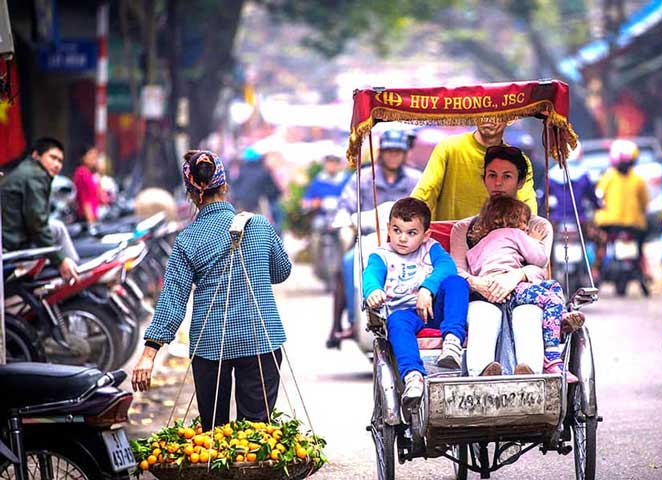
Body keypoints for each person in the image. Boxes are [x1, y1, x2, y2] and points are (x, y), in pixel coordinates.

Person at [131, 150, 292, 431]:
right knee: (256, 435)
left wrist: (148, 353)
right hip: (261, 339)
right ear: (225, 185)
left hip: (210, 345)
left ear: (191, 194)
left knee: (214, 436)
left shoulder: (187, 240)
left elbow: (173, 300)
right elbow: (281, 271)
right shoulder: (259, 226)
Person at [449, 146, 554, 377]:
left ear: (520, 181)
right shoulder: (463, 229)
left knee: (527, 314)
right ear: (484, 179)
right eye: (492, 176)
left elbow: (541, 269)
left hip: (524, 294)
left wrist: (515, 276)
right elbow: (458, 271)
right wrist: (481, 284)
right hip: (480, 294)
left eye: (507, 176)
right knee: (482, 315)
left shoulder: (538, 227)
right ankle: (482, 373)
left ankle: (530, 374)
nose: (498, 183)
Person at [362, 198, 468, 408]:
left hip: (434, 310)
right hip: (405, 315)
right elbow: (371, 275)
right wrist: (373, 290)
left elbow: (447, 267)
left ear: (425, 235)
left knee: (457, 283)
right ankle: (413, 376)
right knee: (397, 321)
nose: (402, 238)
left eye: (411, 233)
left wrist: (428, 288)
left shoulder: (430, 248)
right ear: (388, 230)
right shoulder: (381, 255)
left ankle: (453, 341)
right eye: (397, 230)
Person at [464, 195, 579, 380]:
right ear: (513, 220)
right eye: (524, 222)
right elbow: (541, 259)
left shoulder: (476, 247)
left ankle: (559, 316)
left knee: (550, 287)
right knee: (552, 296)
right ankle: (551, 357)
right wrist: (534, 240)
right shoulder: (514, 233)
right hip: (512, 288)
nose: (526, 227)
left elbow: (474, 268)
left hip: (487, 291)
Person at [330, 130, 422, 347]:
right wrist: (344, 220)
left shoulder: (415, 179)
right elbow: (345, 206)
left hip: (408, 242)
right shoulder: (362, 178)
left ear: (405, 153)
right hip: (371, 240)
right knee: (348, 261)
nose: (393, 156)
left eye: (397, 151)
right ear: (381, 152)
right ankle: (347, 322)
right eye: (389, 151)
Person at [411, 121, 537, 221]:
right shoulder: (450, 147)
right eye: (483, 110)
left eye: (496, 113)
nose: (488, 118)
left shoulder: (518, 160)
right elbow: (426, 191)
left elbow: (528, 207)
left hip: (498, 245)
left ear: (511, 118)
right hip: (448, 243)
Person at [1, 137, 79, 282]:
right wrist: (61, 260)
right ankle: (75, 275)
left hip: (14, 236)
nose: (56, 164)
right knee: (57, 228)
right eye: (53, 158)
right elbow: (37, 224)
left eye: (60, 161)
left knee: (55, 227)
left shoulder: (29, 171)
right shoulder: (35, 175)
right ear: (36, 155)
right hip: (13, 242)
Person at [593, 139, 650, 279]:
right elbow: (645, 202)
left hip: (610, 223)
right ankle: (645, 272)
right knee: (640, 248)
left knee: (602, 245)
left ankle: (595, 271)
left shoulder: (608, 176)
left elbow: (598, 196)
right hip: (635, 224)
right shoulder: (638, 179)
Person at [73, 144, 102, 225]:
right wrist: (91, 222)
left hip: (93, 215)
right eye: (91, 154)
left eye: (96, 155)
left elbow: (100, 195)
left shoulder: (89, 174)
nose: (94, 158)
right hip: (86, 217)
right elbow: (85, 200)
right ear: (83, 157)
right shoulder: (82, 173)